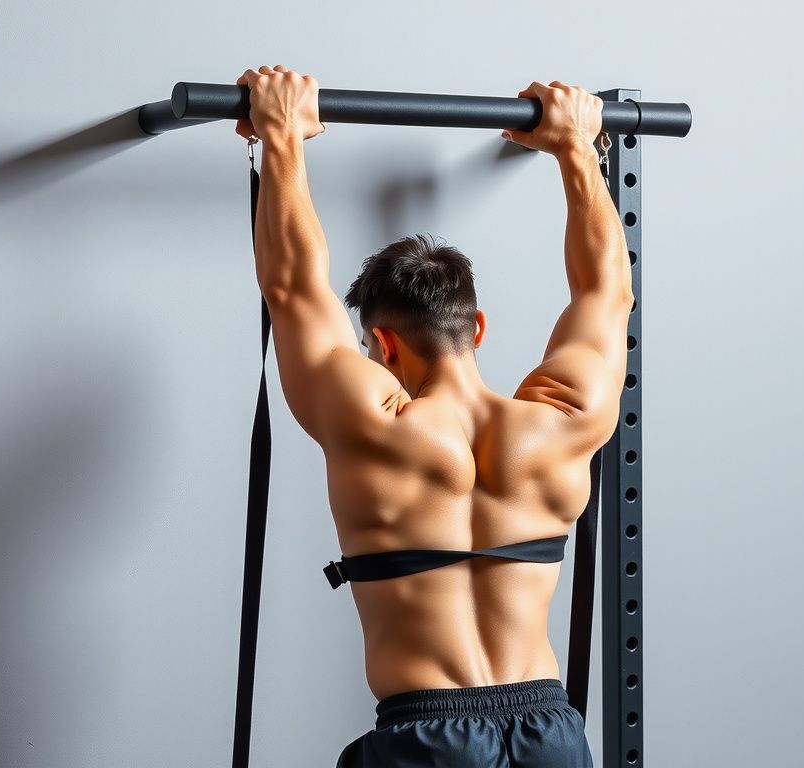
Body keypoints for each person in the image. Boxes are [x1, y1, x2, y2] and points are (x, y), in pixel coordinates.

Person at [234, 65, 627, 767]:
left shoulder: (377, 430)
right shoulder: (563, 422)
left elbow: (292, 290)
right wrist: (575, 148)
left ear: (381, 343)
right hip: (551, 734)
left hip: (431, 737)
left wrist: (283, 133)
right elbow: (605, 294)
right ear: (476, 327)